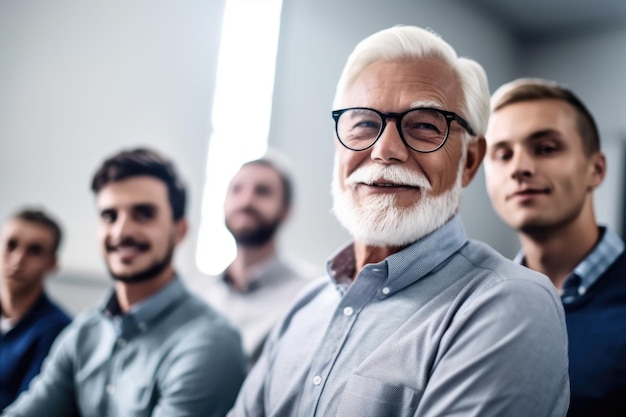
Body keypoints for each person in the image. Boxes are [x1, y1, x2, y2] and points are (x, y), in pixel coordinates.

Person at [228, 25, 569, 417]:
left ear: (470, 160)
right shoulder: (306, 306)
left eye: (424, 125)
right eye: (364, 124)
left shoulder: (507, 305)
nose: (384, 150)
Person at [3, 148, 246, 417]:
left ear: (180, 230)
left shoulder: (210, 343)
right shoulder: (83, 332)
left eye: (143, 214)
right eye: (109, 216)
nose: (121, 231)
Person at [484, 77, 626, 417]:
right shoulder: (480, 305)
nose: (519, 168)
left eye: (546, 148)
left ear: (597, 169)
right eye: (502, 154)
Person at [193, 156, 315, 365]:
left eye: (262, 191)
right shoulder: (199, 293)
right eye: (236, 190)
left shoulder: (311, 295)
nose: (246, 201)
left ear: (286, 211)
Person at [0, 208, 71, 411]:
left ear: (52, 263)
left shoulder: (59, 332)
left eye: (34, 250)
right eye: (11, 245)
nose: (18, 259)